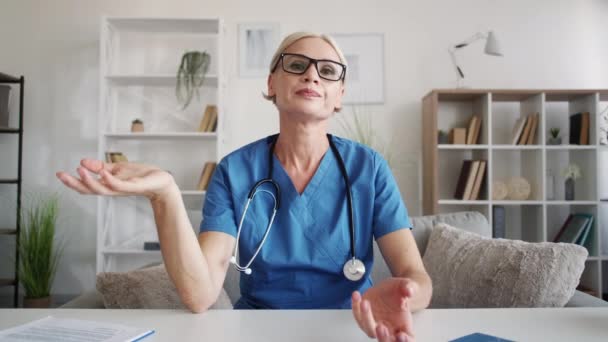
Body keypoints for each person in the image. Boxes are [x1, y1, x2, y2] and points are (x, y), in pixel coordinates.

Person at [56, 31, 432, 341]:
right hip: (257, 332)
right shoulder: (234, 171)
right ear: (271, 83)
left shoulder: (369, 168)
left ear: (340, 95)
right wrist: (164, 194)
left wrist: (404, 298)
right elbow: (201, 295)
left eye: (329, 71)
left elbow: (418, 279)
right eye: (297, 65)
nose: (313, 76)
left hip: (351, 328)